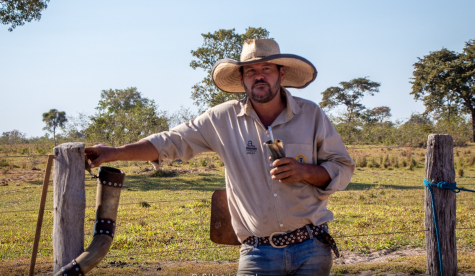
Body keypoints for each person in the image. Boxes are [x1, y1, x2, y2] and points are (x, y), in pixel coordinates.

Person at [85, 39, 355, 276]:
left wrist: (305, 171)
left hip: (311, 248)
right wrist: (116, 153)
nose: (258, 76)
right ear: (242, 79)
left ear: (281, 74)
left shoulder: (311, 115)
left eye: (266, 69)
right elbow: (170, 141)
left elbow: (342, 166)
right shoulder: (221, 119)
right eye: (251, 71)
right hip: (257, 253)